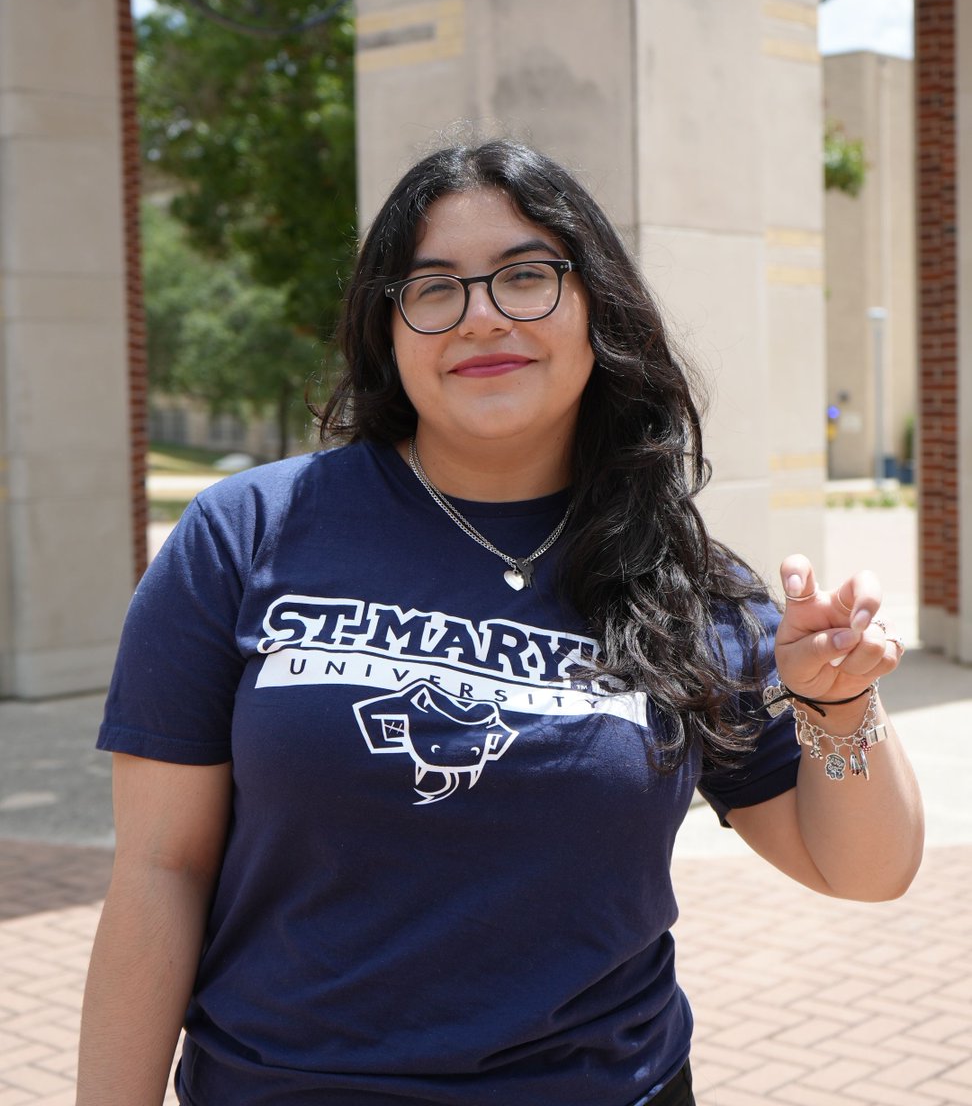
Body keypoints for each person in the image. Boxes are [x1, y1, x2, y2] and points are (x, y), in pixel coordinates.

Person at [77, 139, 923, 1106]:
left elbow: (861, 869)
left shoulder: (680, 581)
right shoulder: (247, 533)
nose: (481, 317)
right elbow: (160, 870)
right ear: (388, 329)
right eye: (433, 288)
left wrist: (842, 701)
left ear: (597, 307)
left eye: (526, 276)